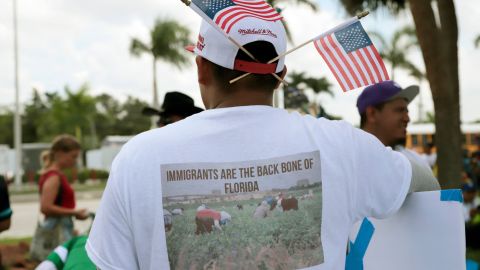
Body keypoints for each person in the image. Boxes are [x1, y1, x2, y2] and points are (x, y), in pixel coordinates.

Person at [86, 15, 439, 269]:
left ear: (202, 69)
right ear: (280, 74)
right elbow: (424, 182)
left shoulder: (137, 157)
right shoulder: (342, 144)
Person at [30, 135, 89, 261]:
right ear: (59, 153)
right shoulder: (54, 177)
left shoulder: (52, 174)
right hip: (57, 228)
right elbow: (46, 207)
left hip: (62, 226)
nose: (75, 161)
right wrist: (74, 212)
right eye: (73, 156)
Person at [356, 80, 432, 170]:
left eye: (406, 111)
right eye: (400, 110)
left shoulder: (415, 163)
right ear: (372, 114)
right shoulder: (348, 159)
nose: (407, 119)